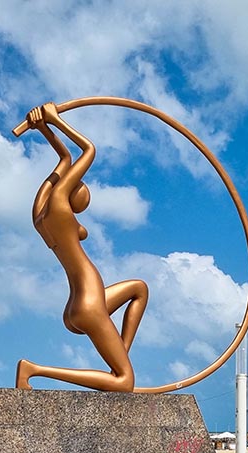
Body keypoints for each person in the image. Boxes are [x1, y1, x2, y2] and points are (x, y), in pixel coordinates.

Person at [15, 103, 148, 392]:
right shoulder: (61, 206)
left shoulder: (41, 216)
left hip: (81, 302)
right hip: (89, 302)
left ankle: (120, 353)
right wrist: (56, 120)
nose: (86, 187)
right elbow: (89, 150)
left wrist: (44, 130)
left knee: (139, 288)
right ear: (72, 189)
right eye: (83, 184)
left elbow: (65, 158)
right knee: (124, 382)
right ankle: (34, 370)